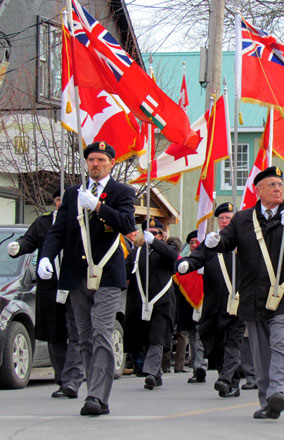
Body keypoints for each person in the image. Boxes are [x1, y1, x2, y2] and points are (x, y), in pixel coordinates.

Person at [203, 166, 284, 419]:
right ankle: (268, 401)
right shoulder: (243, 219)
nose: (278, 188)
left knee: (280, 344)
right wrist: (216, 242)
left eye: (280, 184)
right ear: (258, 190)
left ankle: (277, 391)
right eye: (272, 185)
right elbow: (228, 241)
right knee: (261, 352)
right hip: (254, 296)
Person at [38, 141, 136, 416]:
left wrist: (98, 207)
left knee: (102, 332)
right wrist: (46, 256)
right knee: (84, 336)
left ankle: (96, 396)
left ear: (111, 163)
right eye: (92, 159)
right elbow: (58, 231)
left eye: (101, 160)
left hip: (106, 274)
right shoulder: (72, 194)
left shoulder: (122, 192)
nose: (96, 164)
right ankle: (94, 388)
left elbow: (128, 225)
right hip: (77, 274)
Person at [7, 188, 84, 399]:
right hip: (50, 288)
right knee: (55, 335)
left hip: (74, 285)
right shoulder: (43, 223)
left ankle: (73, 379)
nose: (61, 204)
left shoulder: (80, 221)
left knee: (76, 333)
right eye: (58, 200)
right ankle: (63, 380)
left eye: (65, 200)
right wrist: (18, 247)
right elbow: (29, 241)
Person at [178, 202, 246, 398]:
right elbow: (197, 258)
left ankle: (224, 379)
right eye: (222, 218)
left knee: (232, 341)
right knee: (214, 342)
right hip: (214, 302)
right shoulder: (211, 241)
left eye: (229, 218)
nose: (225, 222)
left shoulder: (243, 240)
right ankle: (231, 383)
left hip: (237, 301)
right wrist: (186, 265)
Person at [124, 218, 178, 391]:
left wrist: (154, 242)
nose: (152, 235)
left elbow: (172, 258)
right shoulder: (136, 253)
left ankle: (149, 373)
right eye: (149, 232)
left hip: (162, 303)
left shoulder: (167, 250)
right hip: (141, 303)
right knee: (146, 339)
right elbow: (124, 270)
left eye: (156, 233)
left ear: (162, 235)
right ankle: (156, 374)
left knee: (157, 337)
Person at [174, 230, 208, 383]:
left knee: (202, 336)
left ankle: (204, 365)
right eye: (192, 242)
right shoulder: (185, 262)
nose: (194, 245)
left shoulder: (211, 259)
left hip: (208, 304)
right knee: (194, 337)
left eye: (197, 242)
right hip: (191, 305)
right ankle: (198, 367)